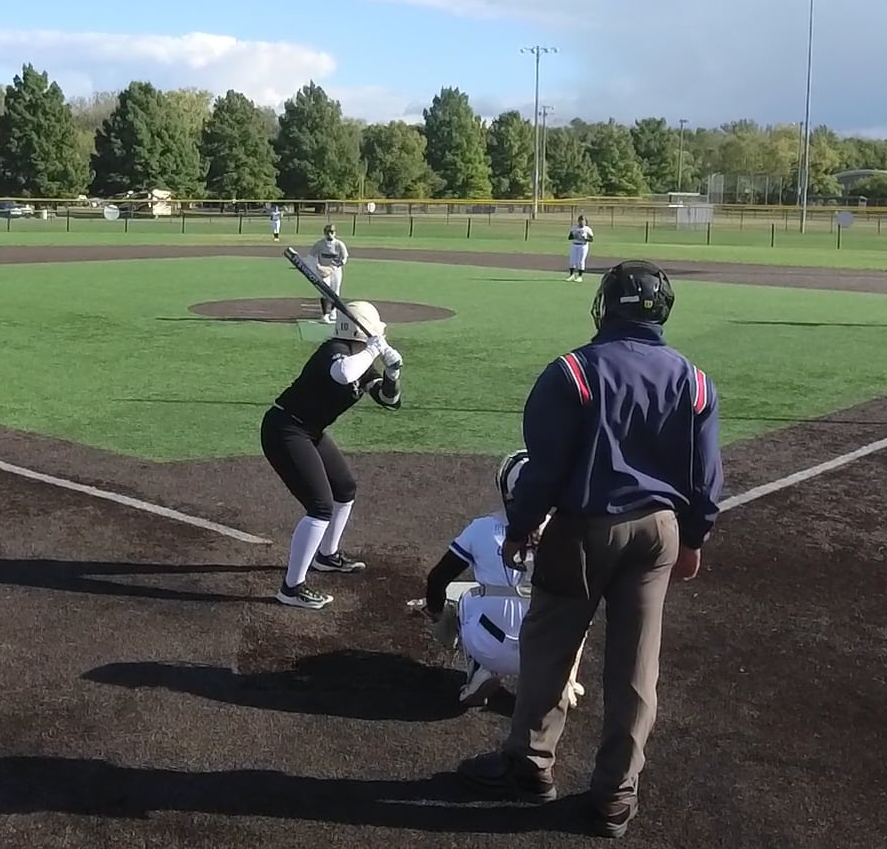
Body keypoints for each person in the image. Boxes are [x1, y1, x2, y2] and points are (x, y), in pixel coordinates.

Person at [456, 258, 723, 841]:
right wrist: (694, 538)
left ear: (605, 306)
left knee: (549, 647)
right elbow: (706, 479)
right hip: (658, 532)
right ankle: (615, 796)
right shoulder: (695, 380)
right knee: (637, 665)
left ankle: (530, 765)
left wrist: (522, 527)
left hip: (582, 528)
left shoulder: (572, 372)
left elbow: (543, 469)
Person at [413, 449, 586, 709]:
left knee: (465, 598)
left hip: (488, 647)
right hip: (544, 652)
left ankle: (481, 671)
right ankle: (564, 679)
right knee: (577, 610)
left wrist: (437, 613)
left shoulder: (481, 528)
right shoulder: (561, 530)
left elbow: (437, 579)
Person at [261, 300, 402, 610]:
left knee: (345, 488)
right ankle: (291, 588)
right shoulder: (334, 351)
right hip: (285, 429)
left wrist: (392, 374)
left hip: (311, 431)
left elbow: (388, 400)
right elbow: (342, 374)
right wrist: (374, 350)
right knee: (320, 506)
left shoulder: (361, 360)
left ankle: (327, 555)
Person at [310, 223, 349, 323]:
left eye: (332, 232)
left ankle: (333, 312)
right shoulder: (320, 244)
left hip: (335, 271)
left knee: (335, 291)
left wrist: (333, 268)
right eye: (328, 232)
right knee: (325, 290)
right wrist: (318, 267)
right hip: (323, 271)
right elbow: (311, 256)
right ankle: (325, 314)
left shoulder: (339, 244)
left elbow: (344, 259)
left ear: (335, 233)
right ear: (324, 233)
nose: (330, 234)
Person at [566, 215, 594, 281]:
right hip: (574, 245)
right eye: (580, 220)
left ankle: (580, 276)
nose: (582, 222)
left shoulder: (587, 229)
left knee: (581, 261)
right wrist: (575, 236)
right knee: (572, 260)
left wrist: (584, 238)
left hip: (583, 246)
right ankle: (572, 275)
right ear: (578, 221)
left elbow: (591, 239)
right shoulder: (574, 228)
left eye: (583, 221)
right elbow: (569, 237)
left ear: (585, 222)